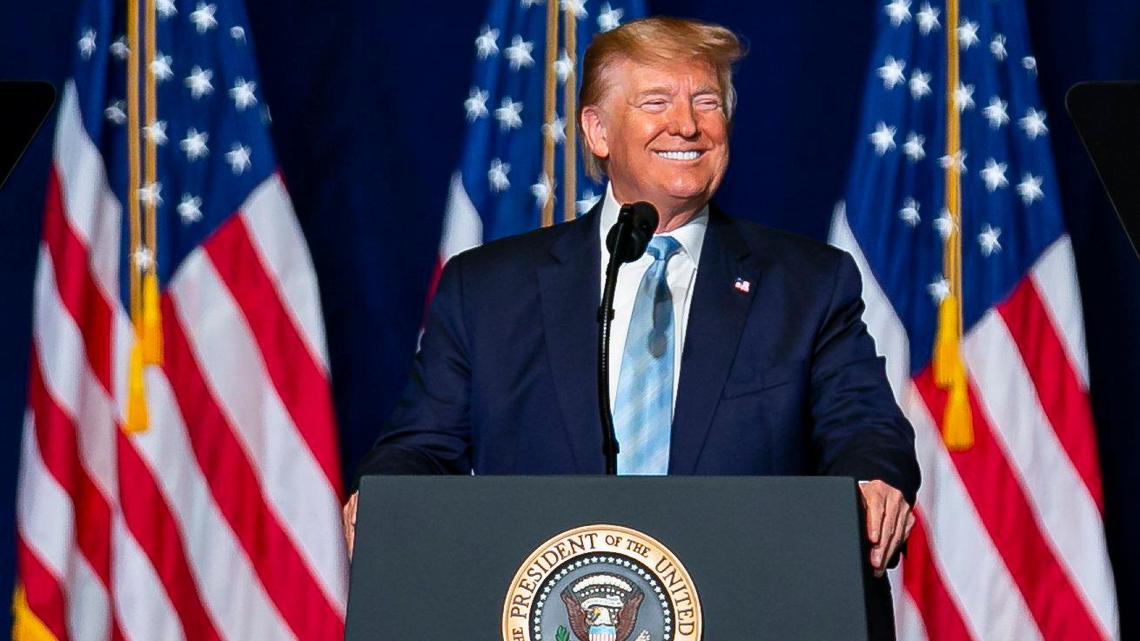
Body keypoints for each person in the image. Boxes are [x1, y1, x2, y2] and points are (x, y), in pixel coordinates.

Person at [344, 16, 919, 638]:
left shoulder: (808, 284)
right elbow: (421, 446)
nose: (688, 125)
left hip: (747, 612)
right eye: (656, 102)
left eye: (706, 102)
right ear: (597, 130)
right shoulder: (487, 290)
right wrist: (387, 498)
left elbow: (864, 425)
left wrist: (871, 480)